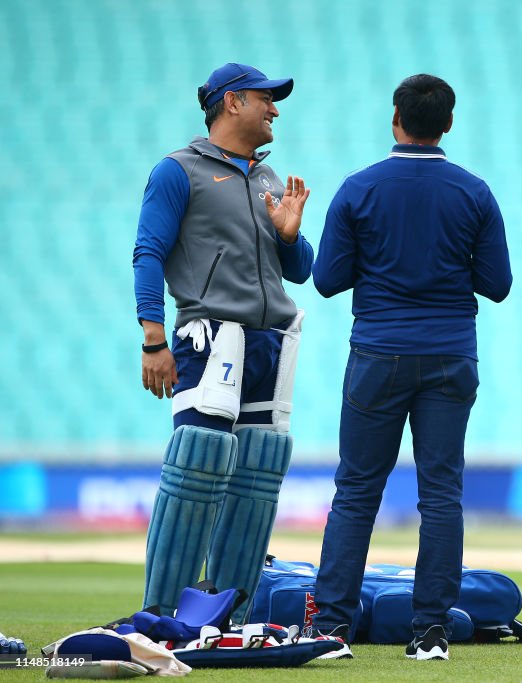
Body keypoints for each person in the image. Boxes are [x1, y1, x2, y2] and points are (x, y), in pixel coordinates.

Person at [310, 74, 512, 661]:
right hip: (450, 353)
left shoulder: (358, 189)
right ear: (447, 123)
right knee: (441, 493)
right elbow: (497, 285)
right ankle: (430, 631)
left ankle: (331, 630)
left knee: (355, 492)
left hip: (377, 352)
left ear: (394, 118)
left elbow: (326, 281)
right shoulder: (474, 192)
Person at [132, 63, 314, 628]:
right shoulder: (177, 171)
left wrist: (288, 235)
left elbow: (302, 270)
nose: (275, 109)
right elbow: (148, 252)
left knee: (258, 474)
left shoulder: (267, 179)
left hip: (268, 341)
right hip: (208, 338)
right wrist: (153, 337)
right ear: (233, 103)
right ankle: (164, 614)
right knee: (197, 469)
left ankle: (224, 615)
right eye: (266, 99)